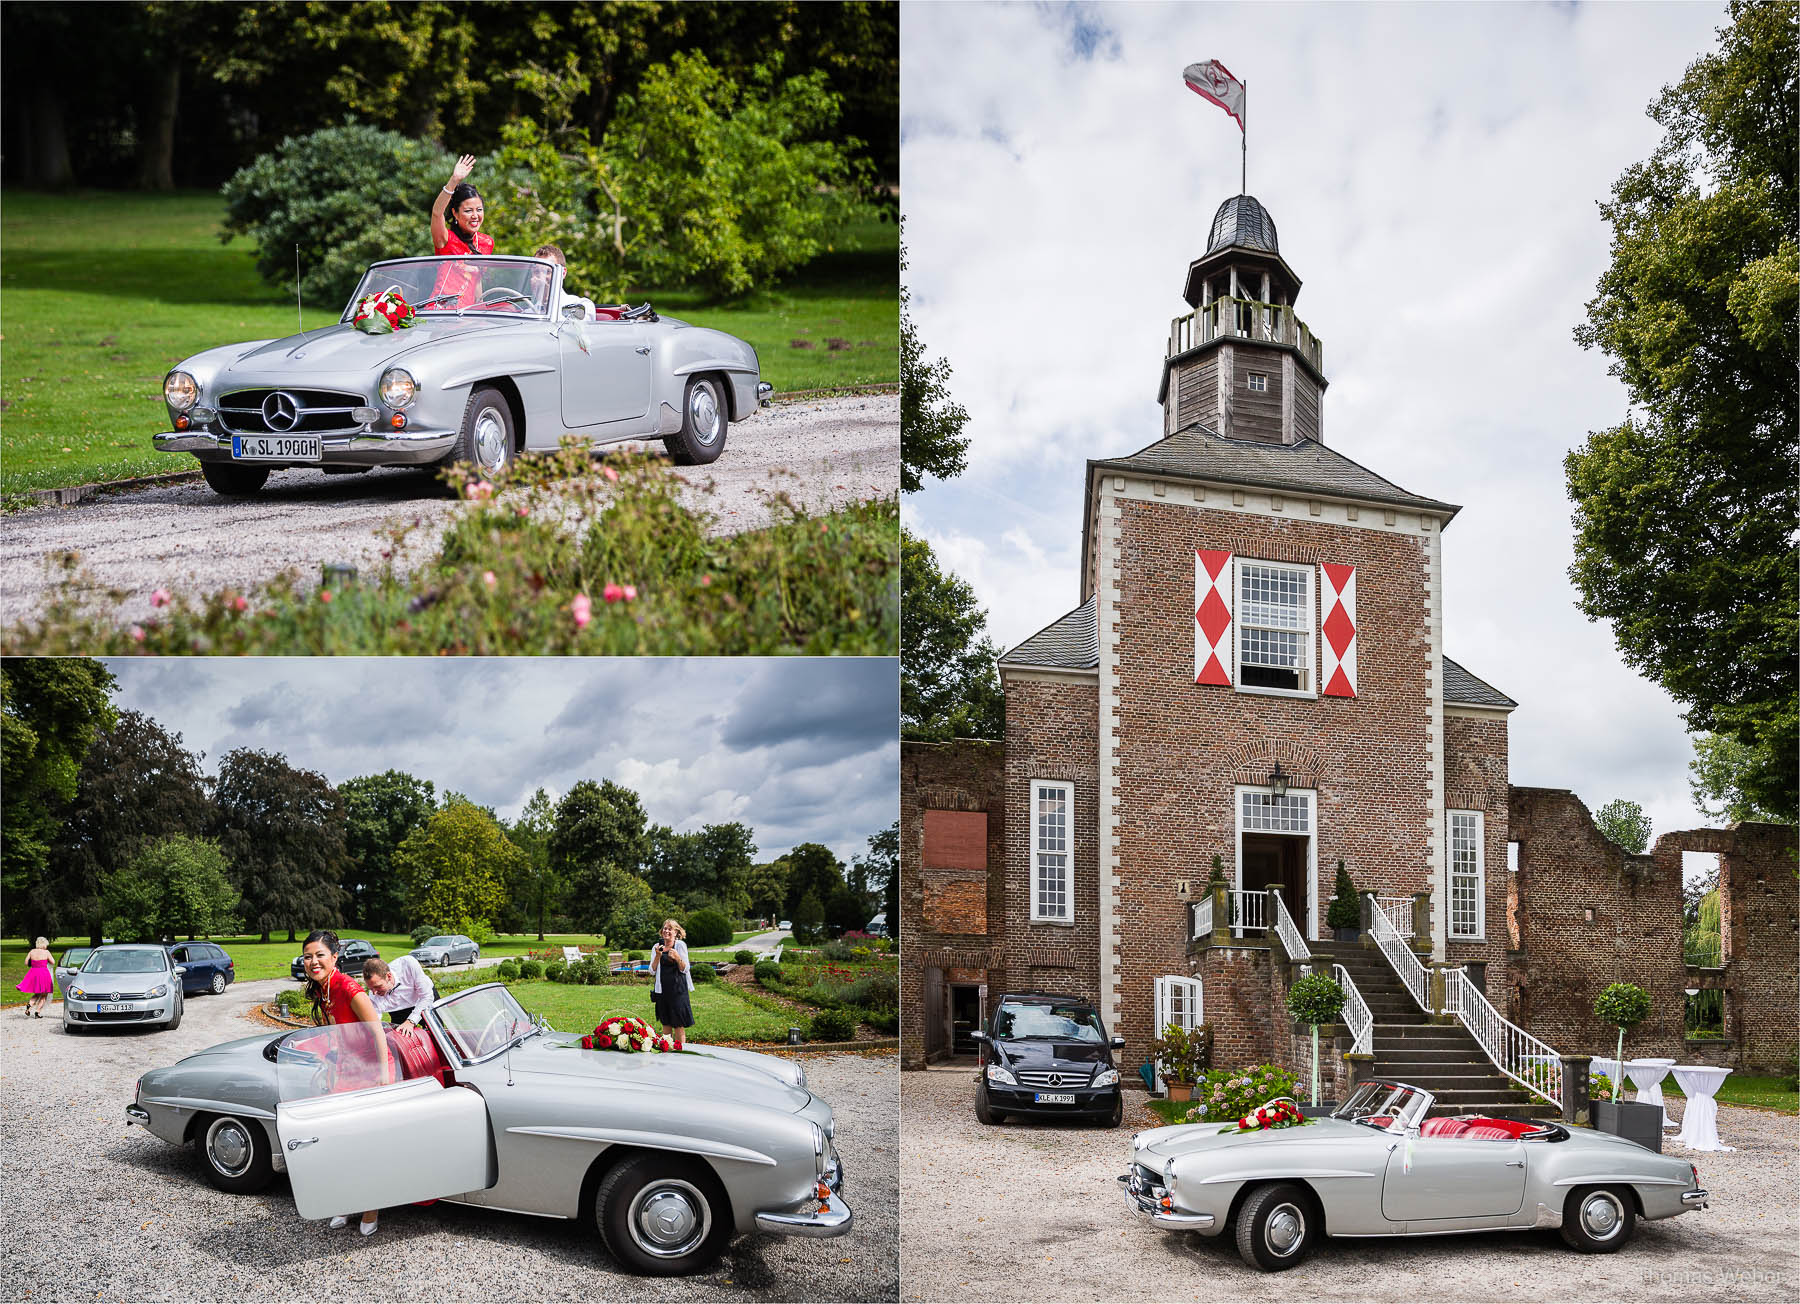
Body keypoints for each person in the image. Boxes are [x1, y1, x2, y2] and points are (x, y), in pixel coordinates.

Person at [298, 929, 390, 1236]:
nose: (313, 961)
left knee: (366, 1142)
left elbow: (376, 1030)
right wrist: (330, 1066)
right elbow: (337, 1035)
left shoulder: (348, 986)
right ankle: (345, 1199)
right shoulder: (321, 988)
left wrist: (383, 1076)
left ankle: (371, 1207)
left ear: (334, 957)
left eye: (320, 955)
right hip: (347, 1068)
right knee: (339, 1139)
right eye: (308, 956)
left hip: (371, 1069)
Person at [429, 153, 492, 308]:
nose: (475, 216)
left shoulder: (486, 242)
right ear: (455, 214)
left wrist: (480, 309)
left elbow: (476, 280)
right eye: (468, 211)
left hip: (467, 315)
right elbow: (437, 213)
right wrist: (453, 181)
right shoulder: (445, 239)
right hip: (441, 312)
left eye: (479, 209)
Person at [649, 919, 695, 1050]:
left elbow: (685, 969)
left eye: (670, 929)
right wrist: (658, 955)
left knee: (678, 1024)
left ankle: (680, 1052)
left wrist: (677, 957)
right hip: (662, 991)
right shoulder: (656, 947)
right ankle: (666, 1051)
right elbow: (652, 971)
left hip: (677, 990)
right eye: (665, 928)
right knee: (666, 1022)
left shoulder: (680, 945)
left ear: (676, 932)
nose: (666, 931)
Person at [529, 243, 601, 320]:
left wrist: (546, 299)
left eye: (548, 271)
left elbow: (573, 328)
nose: (541, 277)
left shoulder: (583, 305)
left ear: (562, 273)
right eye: (536, 271)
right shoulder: (528, 313)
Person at [361, 954, 434, 1029]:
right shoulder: (373, 995)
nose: (374, 992)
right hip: (398, 1011)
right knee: (400, 1036)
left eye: (378, 987)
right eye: (370, 988)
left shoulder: (408, 964)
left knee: (435, 1032)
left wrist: (410, 1021)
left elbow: (426, 996)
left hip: (423, 1001)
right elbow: (375, 1021)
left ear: (389, 976)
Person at [15, 937, 53, 1018]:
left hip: (34, 973)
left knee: (37, 993)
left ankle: (29, 1005)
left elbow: (26, 963)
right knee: (44, 995)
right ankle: (37, 1012)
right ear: (44, 944)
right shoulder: (46, 952)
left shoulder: (32, 951)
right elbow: (53, 962)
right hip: (43, 973)